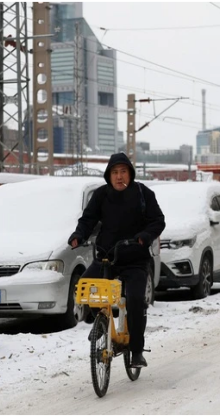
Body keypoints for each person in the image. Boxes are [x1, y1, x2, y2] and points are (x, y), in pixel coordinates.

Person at [68, 152, 165, 368]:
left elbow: (158, 221)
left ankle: (137, 350)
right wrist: (78, 235)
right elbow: (88, 219)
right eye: (114, 172)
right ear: (108, 175)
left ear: (130, 174)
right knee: (85, 286)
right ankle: (103, 323)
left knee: (136, 300)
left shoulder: (143, 194)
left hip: (135, 259)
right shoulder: (102, 195)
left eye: (123, 172)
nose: (119, 177)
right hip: (106, 258)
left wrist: (145, 237)